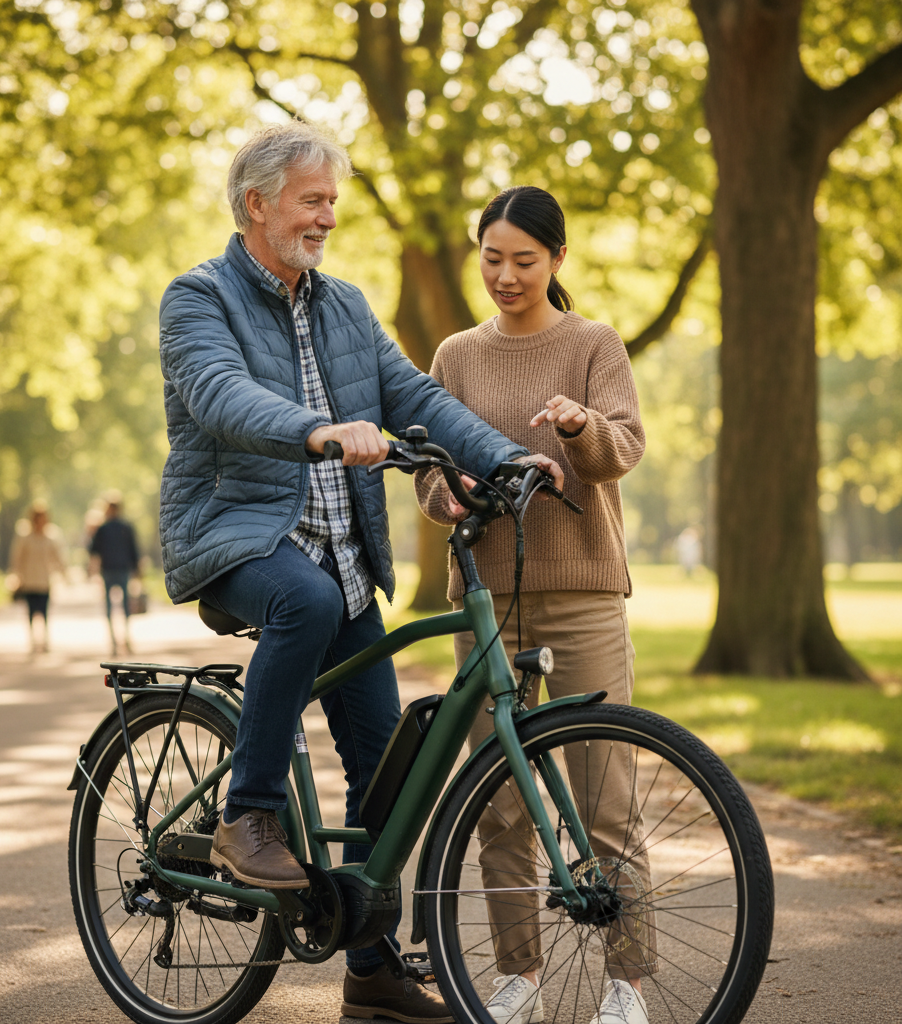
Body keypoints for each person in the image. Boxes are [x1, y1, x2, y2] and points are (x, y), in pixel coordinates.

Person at [157, 122, 563, 1024]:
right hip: (236, 540)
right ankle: (247, 815)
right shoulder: (197, 299)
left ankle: (373, 969)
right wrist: (316, 428)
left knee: (390, 764)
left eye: (333, 200)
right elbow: (219, 393)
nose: (328, 216)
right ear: (257, 204)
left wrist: (503, 457)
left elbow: (413, 393)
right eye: (313, 199)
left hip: (344, 560)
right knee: (298, 599)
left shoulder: (343, 305)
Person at [414, 186, 652, 1024]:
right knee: (501, 803)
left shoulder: (593, 343)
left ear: (556, 260)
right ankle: (518, 974)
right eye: (492, 258)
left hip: (582, 593)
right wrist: (449, 493)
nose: (506, 276)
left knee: (602, 794)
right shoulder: (456, 354)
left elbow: (621, 449)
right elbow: (427, 471)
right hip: (490, 601)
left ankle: (625, 983)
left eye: (524, 260)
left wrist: (580, 425)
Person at [8, 502, 66, 653]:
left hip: (44, 580)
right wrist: (16, 575)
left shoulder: (51, 536)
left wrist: (64, 572)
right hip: (29, 580)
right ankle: (33, 640)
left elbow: (57, 556)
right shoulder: (25, 536)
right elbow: (17, 557)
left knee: (44, 611)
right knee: (31, 611)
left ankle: (45, 640)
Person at [88, 495, 141, 655]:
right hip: (114, 569)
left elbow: (92, 550)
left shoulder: (104, 528)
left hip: (115, 569)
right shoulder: (121, 527)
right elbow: (134, 551)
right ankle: (118, 640)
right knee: (120, 606)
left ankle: (121, 639)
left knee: (117, 606)